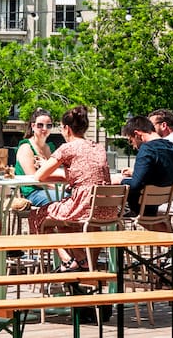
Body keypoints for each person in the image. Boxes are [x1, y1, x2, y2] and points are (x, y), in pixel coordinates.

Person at [31, 105, 112, 270]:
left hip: (82, 206)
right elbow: (85, 174)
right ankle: (87, 264)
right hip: (106, 207)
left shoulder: (67, 148)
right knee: (63, 222)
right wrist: (65, 176)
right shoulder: (98, 147)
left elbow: (39, 176)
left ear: (67, 128)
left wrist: (46, 166)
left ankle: (70, 260)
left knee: (36, 216)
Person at [120, 116, 173, 216]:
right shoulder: (171, 146)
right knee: (152, 221)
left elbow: (136, 184)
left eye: (130, 140)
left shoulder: (147, 149)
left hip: (144, 202)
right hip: (167, 197)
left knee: (112, 201)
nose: (133, 145)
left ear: (137, 134)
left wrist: (120, 180)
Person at [14, 108, 56, 207]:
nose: (44, 129)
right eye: (40, 125)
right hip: (33, 193)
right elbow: (34, 179)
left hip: (51, 190)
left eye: (49, 125)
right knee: (66, 198)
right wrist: (57, 188)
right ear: (33, 126)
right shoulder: (26, 147)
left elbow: (57, 172)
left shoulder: (51, 147)